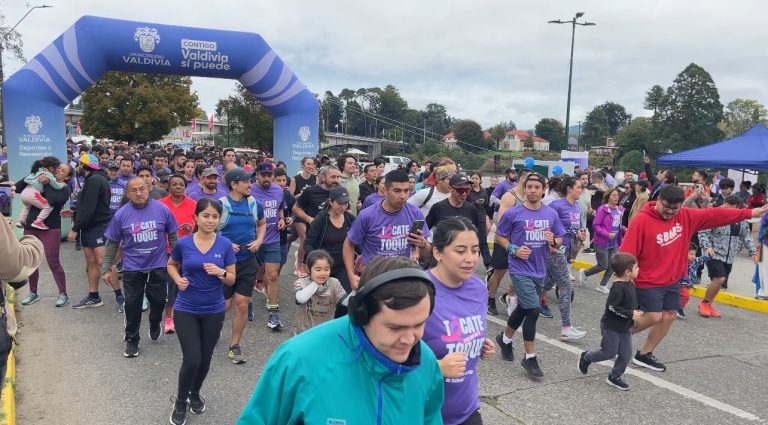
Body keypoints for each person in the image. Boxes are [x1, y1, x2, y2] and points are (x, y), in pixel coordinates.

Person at [237, 256, 444, 424]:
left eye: (418, 324)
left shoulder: (425, 361)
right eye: (394, 327)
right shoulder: (298, 359)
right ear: (361, 314)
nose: (409, 340)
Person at [621, 185, 768, 372]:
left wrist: (749, 213)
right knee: (653, 316)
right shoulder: (642, 221)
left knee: (669, 316)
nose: (670, 212)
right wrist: (625, 282)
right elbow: (626, 254)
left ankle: (644, 354)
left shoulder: (685, 216)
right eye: (666, 207)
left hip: (672, 280)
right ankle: (618, 333)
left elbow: (715, 215)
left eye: (675, 208)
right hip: (647, 280)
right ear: (658, 201)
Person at [167, 198, 236, 425]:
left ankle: (194, 393)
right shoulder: (184, 244)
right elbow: (171, 264)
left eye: (215, 216)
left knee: (205, 359)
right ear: (196, 217)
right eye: (205, 215)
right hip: (186, 308)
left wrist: (220, 272)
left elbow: (231, 279)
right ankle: (180, 400)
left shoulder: (225, 244)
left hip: (214, 310)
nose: (210, 220)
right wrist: (178, 280)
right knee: (193, 359)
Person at [424, 217, 495, 425]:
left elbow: (462, 330)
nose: (471, 258)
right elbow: (390, 359)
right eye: (460, 250)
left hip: (467, 410)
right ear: (438, 253)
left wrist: (479, 342)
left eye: (474, 250)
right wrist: (437, 367)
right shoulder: (419, 291)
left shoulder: (479, 288)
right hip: (425, 414)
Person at [494, 173, 565, 379]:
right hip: (519, 269)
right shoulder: (513, 213)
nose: (533, 190)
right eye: (529, 187)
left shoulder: (550, 214)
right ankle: (530, 357)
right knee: (533, 310)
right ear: (524, 190)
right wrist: (513, 249)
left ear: (543, 190)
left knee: (525, 308)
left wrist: (554, 242)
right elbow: (500, 236)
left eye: (537, 187)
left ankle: (505, 340)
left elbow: (559, 238)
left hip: (539, 269)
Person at [101, 178, 178, 357]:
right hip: (132, 268)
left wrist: (177, 259)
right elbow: (112, 243)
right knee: (132, 305)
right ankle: (132, 340)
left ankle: (154, 321)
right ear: (127, 193)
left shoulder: (162, 209)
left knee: (159, 301)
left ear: (148, 189)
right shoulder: (121, 214)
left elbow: (172, 236)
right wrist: (106, 268)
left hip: (158, 265)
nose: (138, 193)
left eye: (141, 189)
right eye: (133, 190)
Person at [344, 170, 432, 289]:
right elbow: (349, 244)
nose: (402, 196)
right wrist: (351, 275)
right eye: (397, 191)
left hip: (402, 277)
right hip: (374, 278)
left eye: (406, 190)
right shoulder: (367, 215)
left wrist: (423, 244)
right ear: (385, 190)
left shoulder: (415, 213)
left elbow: (427, 253)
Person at [218, 168, 266, 364]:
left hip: (247, 260)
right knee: (225, 304)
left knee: (242, 303)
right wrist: (227, 244)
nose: (250, 185)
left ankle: (234, 345)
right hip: (224, 262)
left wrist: (259, 241)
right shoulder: (220, 205)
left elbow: (262, 224)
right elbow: (207, 229)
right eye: (246, 182)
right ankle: (212, 330)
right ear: (234, 184)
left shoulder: (255, 204)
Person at [578, 253, 642, 391]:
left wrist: (636, 310)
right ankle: (587, 357)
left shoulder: (630, 282)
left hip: (624, 327)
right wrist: (630, 314)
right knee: (609, 352)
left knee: (625, 354)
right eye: (636, 268)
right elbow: (612, 307)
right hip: (611, 326)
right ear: (627, 272)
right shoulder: (618, 287)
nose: (639, 270)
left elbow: (630, 301)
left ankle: (614, 376)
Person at [19, 163, 72, 307]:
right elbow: (18, 188)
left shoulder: (64, 189)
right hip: (31, 226)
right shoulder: (40, 181)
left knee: (53, 261)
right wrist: (35, 171)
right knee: (31, 261)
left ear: (67, 176)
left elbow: (53, 201)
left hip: (51, 228)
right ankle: (33, 293)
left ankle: (63, 294)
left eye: (63, 171)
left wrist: (48, 184)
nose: (59, 171)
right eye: (58, 168)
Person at [697, 195, 757, 318]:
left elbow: (746, 236)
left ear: (738, 208)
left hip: (729, 256)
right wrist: (707, 246)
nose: (726, 210)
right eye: (725, 207)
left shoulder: (742, 220)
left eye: (730, 209)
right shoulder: (715, 214)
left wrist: (753, 252)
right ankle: (704, 303)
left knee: (720, 282)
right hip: (713, 253)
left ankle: (709, 304)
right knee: (719, 279)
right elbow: (703, 231)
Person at [68, 154, 114, 309]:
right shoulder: (93, 179)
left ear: (83, 165)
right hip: (89, 226)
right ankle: (93, 296)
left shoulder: (95, 180)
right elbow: (86, 206)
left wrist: (75, 228)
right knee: (91, 261)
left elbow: (90, 209)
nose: (77, 167)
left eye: (79, 164)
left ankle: (122, 297)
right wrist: (74, 214)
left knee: (103, 261)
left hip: (98, 226)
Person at [547, 176, 588, 341]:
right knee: (565, 286)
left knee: (546, 283)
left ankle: (520, 304)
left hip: (568, 249)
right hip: (555, 250)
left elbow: (576, 226)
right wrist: (550, 242)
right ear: (569, 189)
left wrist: (580, 233)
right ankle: (566, 327)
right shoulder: (556, 205)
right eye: (578, 187)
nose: (581, 189)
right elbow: (546, 223)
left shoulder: (577, 207)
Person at [487, 168, 533, 316]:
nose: (532, 185)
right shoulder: (510, 196)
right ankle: (490, 299)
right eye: (529, 180)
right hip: (505, 240)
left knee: (519, 273)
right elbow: (502, 220)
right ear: (521, 180)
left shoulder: (529, 197)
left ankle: (508, 296)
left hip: (522, 241)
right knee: (499, 272)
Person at [250, 162, 286, 330]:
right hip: (252, 240)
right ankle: (247, 303)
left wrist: (281, 219)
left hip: (272, 239)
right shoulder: (249, 191)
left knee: (272, 276)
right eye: (263, 175)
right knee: (249, 275)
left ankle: (273, 313)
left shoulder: (279, 190)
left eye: (269, 175)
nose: (266, 178)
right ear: (257, 175)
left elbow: (280, 209)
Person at [159, 175, 197, 334]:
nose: (178, 187)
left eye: (181, 184)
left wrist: (192, 228)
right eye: (174, 184)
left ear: (185, 187)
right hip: (166, 251)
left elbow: (201, 225)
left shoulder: (193, 204)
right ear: (168, 186)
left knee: (189, 283)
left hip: (188, 250)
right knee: (171, 286)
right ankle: (169, 319)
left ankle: (190, 316)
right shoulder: (160, 205)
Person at [425, 174, 488, 268]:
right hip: (441, 260)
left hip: (462, 261)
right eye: (460, 190)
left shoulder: (471, 209)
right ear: (450, 189)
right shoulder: (438, 208)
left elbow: (475, 234)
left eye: (467, 190)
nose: (464, 194)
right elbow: (424, 230)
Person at [304, 186, 356, 299]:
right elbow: (308, 243)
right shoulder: (321, 219)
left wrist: (362, 256)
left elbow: (358, 242)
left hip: (343, 266)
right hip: (323, 266)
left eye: (345, 203)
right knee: (322, 300)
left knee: (344, 299)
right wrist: (315, 260)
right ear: (331, 202)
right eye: (339, 203)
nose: (343, 206)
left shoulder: (350, 219)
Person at [580, 188, 625, 293]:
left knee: (613, 265)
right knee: (603, 265)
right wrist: (607, 234)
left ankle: (602, 285)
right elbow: (596, 225)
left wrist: (624, 229)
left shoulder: (619, 210)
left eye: (617, 195)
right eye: (613, 195)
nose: (616, 197)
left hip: (614, 243)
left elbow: (617, 225)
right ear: (608, 197)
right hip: (602, 242)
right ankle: (585, 273)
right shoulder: (602, 209)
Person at [293, 249, 348, 334]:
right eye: (318, 270)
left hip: (324, 332)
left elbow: (346, 301)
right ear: (308, 269)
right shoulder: (302, 282)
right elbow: (300, 298)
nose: (323, 273)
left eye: (326, 269)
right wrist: (316, 284)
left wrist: (356, 290)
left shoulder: (334, 283)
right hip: (304, 332)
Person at [17, 157, 64, 230]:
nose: (58, 170)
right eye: (58, 168)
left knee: (27, 206)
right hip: (33, 193)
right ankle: (38, 222)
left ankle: (21, 220)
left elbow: (25, 180)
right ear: (51, 168)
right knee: (48, 206)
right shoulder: (48, 175)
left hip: (24, 193)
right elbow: (56, 186)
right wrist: (62, 185)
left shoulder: (37, 172)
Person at [676, 243, 710, 318]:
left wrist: (709, 254)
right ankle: (678, 309)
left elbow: (703, 258)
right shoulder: (680, 262)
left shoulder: (695, 261)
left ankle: (673, 307)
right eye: (691, 254)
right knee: (685, 296)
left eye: (694, 254)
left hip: (688, 284)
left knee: (679, 297)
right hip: (680, 284)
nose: (693, 256)